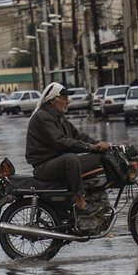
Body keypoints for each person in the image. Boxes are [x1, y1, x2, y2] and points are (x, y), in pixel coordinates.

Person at [26, 82, 108, 215]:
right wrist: (91, 147)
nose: (68, 102)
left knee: (98, 158)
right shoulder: (43, 117)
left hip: (57, 161)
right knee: (71, 159)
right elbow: (60, 142)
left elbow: (79, 136)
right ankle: (80, 203)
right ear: (53, 100)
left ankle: (95, 194)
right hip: (44, 166)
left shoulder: (59, 117)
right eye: (64, 98)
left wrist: (99, 144)